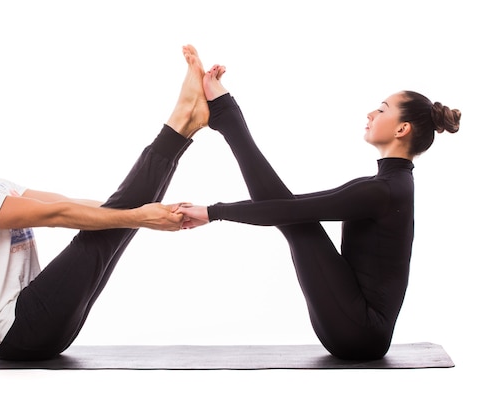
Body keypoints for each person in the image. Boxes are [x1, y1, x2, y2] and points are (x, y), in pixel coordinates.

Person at [0, 45, 209, 361]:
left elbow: (67, 202)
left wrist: (140, 212)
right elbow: (55, 214)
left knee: (114, 222)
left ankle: (186, 123)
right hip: (18, 330)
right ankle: (182, 120)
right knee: (111, 227)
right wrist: (137, 216)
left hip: (43, 326)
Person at [177, 57, 461, 360]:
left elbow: (286, 211)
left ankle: (225, 116)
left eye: (381, 109)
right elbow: (287, 206)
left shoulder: (385, 190)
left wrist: (212, 212)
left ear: (402, 128)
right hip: (353, 327)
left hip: (359, 332)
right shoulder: (386, 185)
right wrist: (213, 211)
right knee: (292, 214)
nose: (370, 113)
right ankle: (225, 116)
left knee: (295, 221)